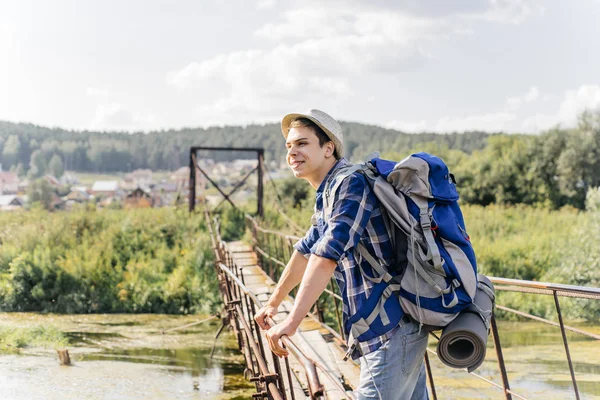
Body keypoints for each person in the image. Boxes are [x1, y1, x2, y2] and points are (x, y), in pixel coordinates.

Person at [254, 109, 429, 399]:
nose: (292, 152)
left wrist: (292, 322)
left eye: (302, 143)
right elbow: (305, 251)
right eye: (289, 146)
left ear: (328, 148)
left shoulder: (351, 183)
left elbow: (325, 256)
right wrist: (273, 303)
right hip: (382, 332)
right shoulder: (328, 193)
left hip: (391, 330)